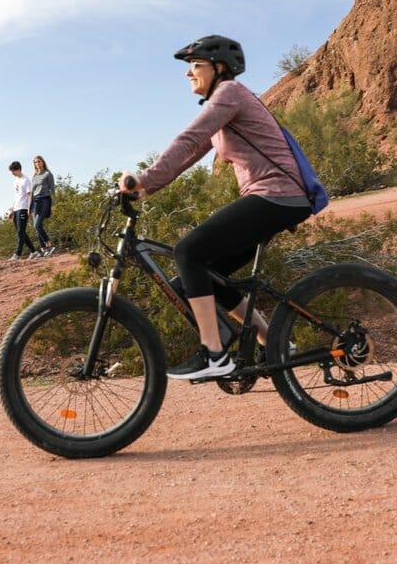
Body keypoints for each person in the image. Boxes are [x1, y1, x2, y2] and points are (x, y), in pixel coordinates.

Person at [117, 35, 313, 379]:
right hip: (273, 197)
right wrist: (146, 189)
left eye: (195, 65)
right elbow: (192, 154)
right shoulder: (223, 104)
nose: (188, 73)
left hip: (277, 194)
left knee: (189, 251)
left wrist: (143, 178)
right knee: (202, 276)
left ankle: (215, 355)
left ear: (219, 68)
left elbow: (189, 139)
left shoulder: (229, 94)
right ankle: (278, 343)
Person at [8, 161, 37, 260]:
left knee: (21, 231)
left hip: (24, 208)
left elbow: (30, 195)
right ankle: (34, 251)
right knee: (21, 232)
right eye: (11, 172)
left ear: (19, 169)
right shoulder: (15, 181)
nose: (13, 173)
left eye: (14, 171)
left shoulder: (26, 180)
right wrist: (12, 210)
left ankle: (18, 254)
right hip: (16, 208)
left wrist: (29, 209)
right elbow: (17, 196)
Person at [31, 155, 56, 257]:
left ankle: (49, 245)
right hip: (35, 202)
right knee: (36, 227)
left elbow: (52, 190)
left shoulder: (48, 174)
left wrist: (53, 205)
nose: (37, 163)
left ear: (43, 162)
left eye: (39, 161)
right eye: (35, 162)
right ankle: (44, 250)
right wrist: (30, 207)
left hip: (45, 200)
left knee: (37, 224)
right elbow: (32, 192)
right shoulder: (34, 176)